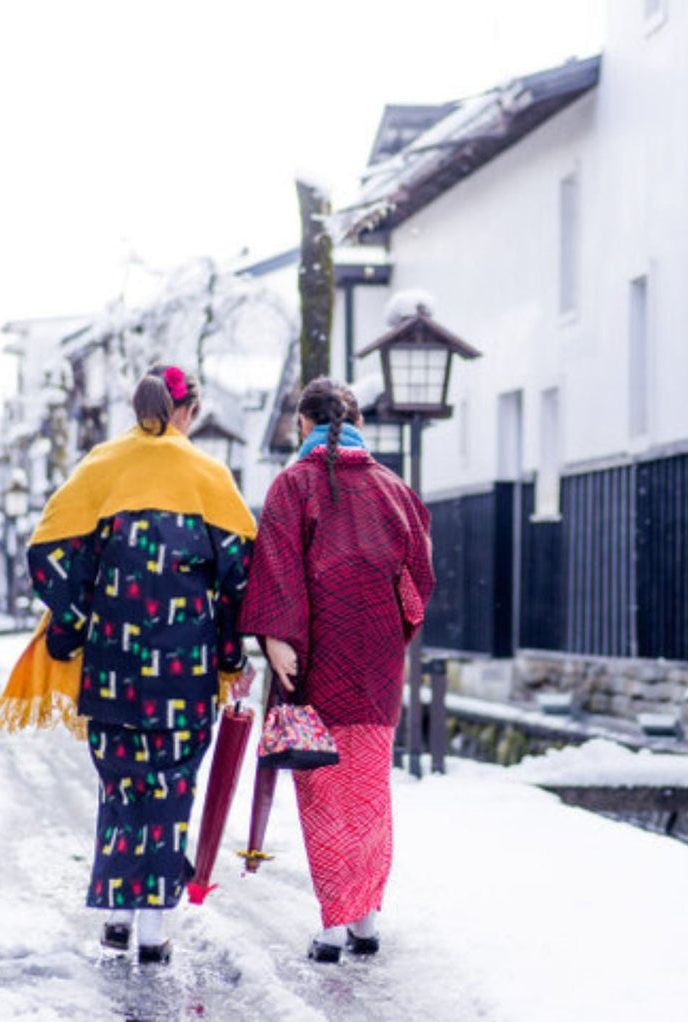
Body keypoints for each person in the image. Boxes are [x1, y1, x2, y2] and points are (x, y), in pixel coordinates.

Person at [0, 365, 256, 963]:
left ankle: (115, 918)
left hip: (112, 668)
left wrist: (70, 624)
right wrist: (231, 654)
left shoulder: (100, 469)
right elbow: (243, 578)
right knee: (171, 793)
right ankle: (156, 930)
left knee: (121, 792)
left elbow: (52, 552)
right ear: (187, 412)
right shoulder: (209, 476)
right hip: (184, 672)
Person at [239, 376, 434, 963]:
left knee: (322, 790)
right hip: (375, 667)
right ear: (358, 425)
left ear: (303, 425)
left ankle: (332, 927)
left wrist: (279, 639)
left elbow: (277, 571)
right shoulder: (395, 491)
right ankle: (366, 919)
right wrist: (388, 631)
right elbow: (417, 585)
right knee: (370, 791)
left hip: (312, 663)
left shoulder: (291, 487)